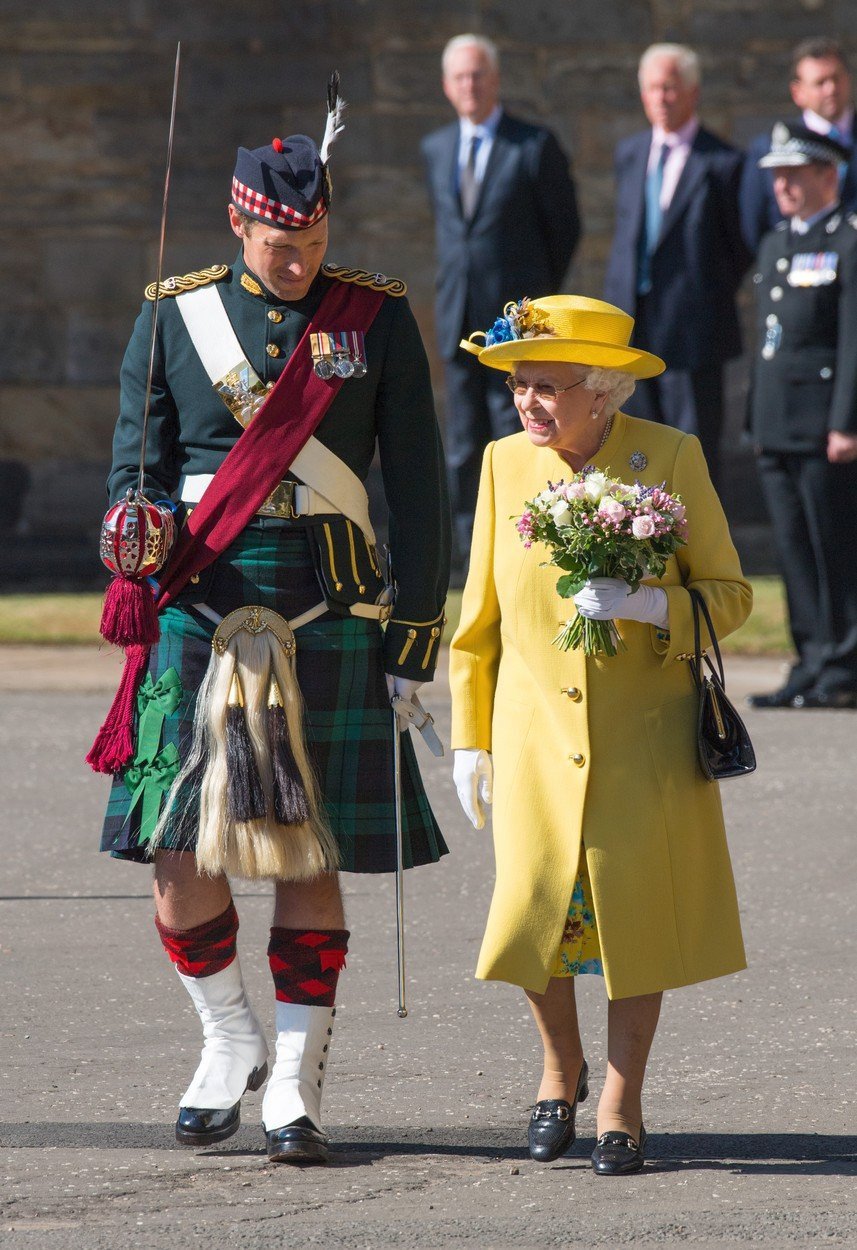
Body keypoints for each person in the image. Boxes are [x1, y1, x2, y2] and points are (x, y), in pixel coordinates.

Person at [94, 98, 450, 1164]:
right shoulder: (171, 316)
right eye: (279, 246)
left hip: (327, 605)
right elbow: (131, 470)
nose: (298, 263)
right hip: (199, 603)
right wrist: (132, 526)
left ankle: (295, 1077)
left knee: (311, 840)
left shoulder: (372, 320)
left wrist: (414, 629)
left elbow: (419, 489)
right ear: (239, 226)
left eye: (313, 243)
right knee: (171, 844)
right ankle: (225, 1038)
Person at [449, 294, 750, 1174]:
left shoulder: (669, 457)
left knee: (632, 920)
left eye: (547, 388)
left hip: (644, 739)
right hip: (534, 736)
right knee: (536, 915)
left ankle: (621, 1101)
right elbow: (480, 622)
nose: (528, 405)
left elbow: (730, 596)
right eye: (519, 388)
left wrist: (650, 604)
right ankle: (557, 1074)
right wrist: (471, 736)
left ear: (602, 392)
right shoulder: (505, 464)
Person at [421, 33, 581, 576]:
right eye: (461, 76)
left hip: (516, 325)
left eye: (479, 74)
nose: (470, 84)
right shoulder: (437, 148)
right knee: (462, 439)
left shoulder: (532, 145)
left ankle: (525, 536)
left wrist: (530, 302)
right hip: (457, 317)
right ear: (448, 86)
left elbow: (564, 230)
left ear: (496, 80)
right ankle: (469, 551)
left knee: (518, 426)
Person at [745, 123, 857, 709]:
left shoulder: (849, 241)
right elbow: (769, 340)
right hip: (777, 422)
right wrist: (754, 422)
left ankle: (843, 665)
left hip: (823, 426)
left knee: (833, 547)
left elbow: (852, 339)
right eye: (776, 176)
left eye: (793, 174)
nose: (782, 185)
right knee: (792, 550)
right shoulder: (775, 242)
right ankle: (811, 658)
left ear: (827, 175)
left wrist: (848, 422)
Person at [604, 43, 751, 485]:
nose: (662, 98)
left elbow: (739, 247)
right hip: (632, 330)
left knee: (693, 450)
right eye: (653, 89)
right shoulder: (630, 153)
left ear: (693, 93)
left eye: (671, 88)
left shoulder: (723, 162)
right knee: (634, 447)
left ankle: (697, 552)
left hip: (694, 332)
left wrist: (700, 295)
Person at [740, 38, 857, 254]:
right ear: (797, 92)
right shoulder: (768, 148)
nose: (831, 89)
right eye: (820, 82)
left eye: (836, 79)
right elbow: (754, 229)